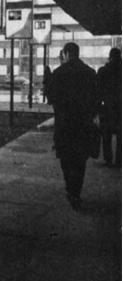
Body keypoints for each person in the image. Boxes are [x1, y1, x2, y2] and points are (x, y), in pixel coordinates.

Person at [48, 41, 98, 208]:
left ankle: (70, 190)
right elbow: (95, 101)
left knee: (66, 158)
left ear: (65, 54)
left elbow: (51, 98)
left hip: (64, 125)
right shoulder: (90, 73)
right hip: (83, 125)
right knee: (80, 160)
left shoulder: (58, 73)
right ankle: (76, 192)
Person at [96, 47, 120, 168]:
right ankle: (120, 160)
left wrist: (98, 108)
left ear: (109, 57)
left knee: (106, 134)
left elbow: (98, 91)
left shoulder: (103, 71)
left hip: (107, 106)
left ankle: (108, 159)